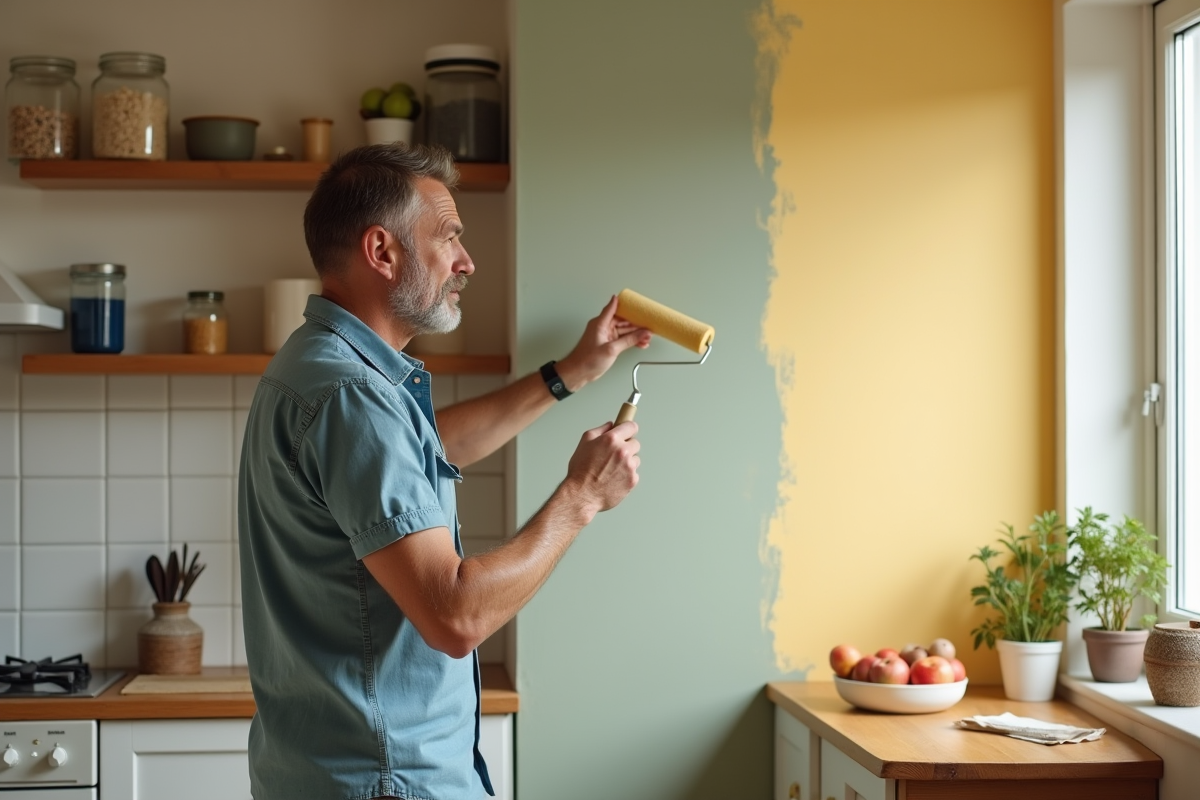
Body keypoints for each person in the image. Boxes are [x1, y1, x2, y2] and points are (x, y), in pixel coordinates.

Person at [237, 143, 648, 800]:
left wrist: (568, 374)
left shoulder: (315, 363)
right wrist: (582, 498)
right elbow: (454, 616)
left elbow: (426, 452)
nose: (467, 262)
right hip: (385, 779)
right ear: (383, 252)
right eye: (449, 239)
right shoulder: (353, 396)